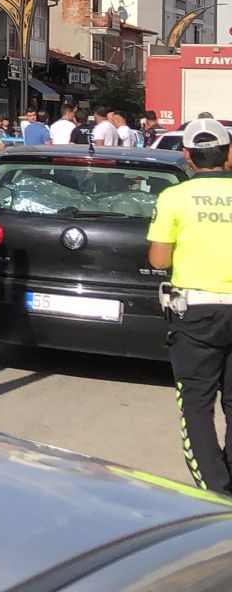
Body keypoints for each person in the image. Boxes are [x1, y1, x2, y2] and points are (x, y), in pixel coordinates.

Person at [148, 117, 232, 494]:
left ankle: (216, 492)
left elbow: (159, 260)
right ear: (229, 155)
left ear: (187, 156)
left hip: (195, 312)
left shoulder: (174, 197)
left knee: (196, 404)